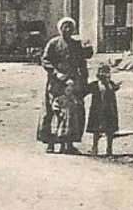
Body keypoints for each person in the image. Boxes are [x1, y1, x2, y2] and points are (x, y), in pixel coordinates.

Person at [38, 17, 91, 153]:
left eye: (70, 27)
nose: (67, 30)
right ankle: (50, 143)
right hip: (56, 84)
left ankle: (68, 144)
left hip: (72, 83)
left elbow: (82, 64)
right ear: (60, 29)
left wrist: (83, 82)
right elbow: (45, 60)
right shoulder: (53, 43)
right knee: (53, 111)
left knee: (73, 112)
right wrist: (57, 74)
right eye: (65, 27)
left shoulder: (76, 45)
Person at [85, 64, 121, 156]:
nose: (104, 74)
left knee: (110, 131)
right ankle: (94, 147)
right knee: (96, 130)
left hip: (109, 111)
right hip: (97, 111)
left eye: (107, 72)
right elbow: (86, 90)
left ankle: (109, 149)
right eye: (102, 72)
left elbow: (116, 88)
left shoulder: (111, 84)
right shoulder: (95, 84)